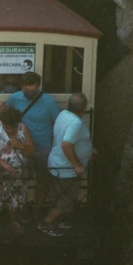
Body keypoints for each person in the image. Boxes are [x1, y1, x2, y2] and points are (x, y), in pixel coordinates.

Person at [0, 72, 60, 210]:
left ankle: (37, 207)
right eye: (26, 90)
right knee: (19, 178)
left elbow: (58, 123)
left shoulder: (49, 102)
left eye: (33, 90)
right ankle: (19, 207)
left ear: (38, 86)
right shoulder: (16, 97)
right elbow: (3, 108)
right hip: (21, 147)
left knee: (43, 179)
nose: (30, 93)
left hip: (43, 147)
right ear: (21, 86)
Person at [38, 93, 95, 237]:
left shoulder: (63, 114)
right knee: (68, 199)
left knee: (58, 196)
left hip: (56, 163)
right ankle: (46, 223)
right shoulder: (76, 122)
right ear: (83, 109)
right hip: (65, 168)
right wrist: (78, 165)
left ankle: (60, 219)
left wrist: (88, 147)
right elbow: (66, 144)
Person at [0, 107, 36, 234]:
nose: (9, 129)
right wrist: (2, 164)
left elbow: (31, 151)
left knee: (16, 196)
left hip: (17, 171)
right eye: (6, 126)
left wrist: (21, 145)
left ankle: (14, 221)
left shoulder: (22, 128)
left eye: (12, 126)